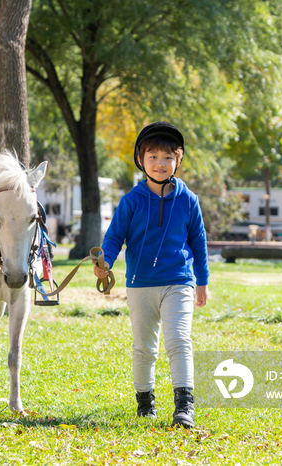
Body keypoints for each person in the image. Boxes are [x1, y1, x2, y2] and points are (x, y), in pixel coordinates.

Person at [93, 122, 209, 428]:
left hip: (178, 281)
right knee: (144, 347)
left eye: (168, 157)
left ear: (178, 161)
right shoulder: (131, 200)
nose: (160, 163)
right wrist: (104, 260)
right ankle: (146, 403)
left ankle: (185, 407)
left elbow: (198, 242)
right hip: (140, 283)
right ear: (141, 160)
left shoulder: (188, 200)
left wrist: (203, 282)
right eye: (153, 156)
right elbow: (114, 237)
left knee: (179, 339)